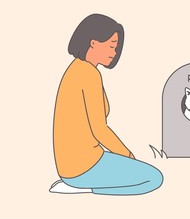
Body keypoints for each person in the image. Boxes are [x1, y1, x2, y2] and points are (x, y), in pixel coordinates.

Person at [50, 14, 163, 195]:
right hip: (83, 167)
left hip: (79, 162)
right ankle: (83, 189)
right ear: (93, 43)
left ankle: (79, 184)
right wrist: (126, 155)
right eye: (111, 46)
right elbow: (99, 129)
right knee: (153, 178)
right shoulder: (87, 74)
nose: (114, 52)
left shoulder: (78, 68)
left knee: (142, 173)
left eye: (116, 47)